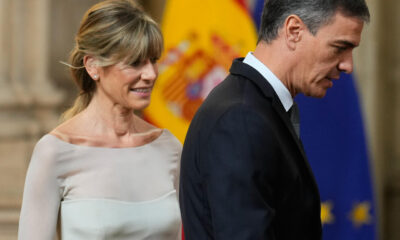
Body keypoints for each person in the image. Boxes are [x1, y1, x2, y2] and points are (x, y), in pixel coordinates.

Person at [179, 0, 370, 239]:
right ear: (293, 31)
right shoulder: (241, 118)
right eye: (340, 47)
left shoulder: (254, 107)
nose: (347, 65)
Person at [18, 1, 182, 239]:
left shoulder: (169, 148)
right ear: (93, 66)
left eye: (153, 60)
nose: (150, 74)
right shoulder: (54, 152)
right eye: (135, 62)